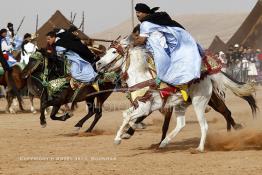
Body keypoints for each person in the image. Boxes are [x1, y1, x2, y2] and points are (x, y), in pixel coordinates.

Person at [133, 3, 203, 101]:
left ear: (145, 13)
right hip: (159, 51)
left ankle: (179, 89)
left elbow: (141, 40)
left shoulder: (145, 24)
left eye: (139, 12)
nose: (137, 15)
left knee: (162, 75)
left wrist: (129, 44)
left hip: (159, 53)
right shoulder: (153, 21)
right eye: (136, 12)